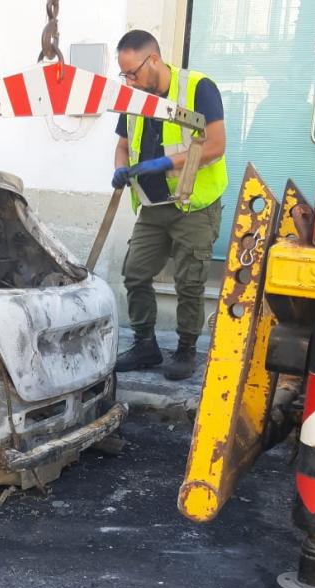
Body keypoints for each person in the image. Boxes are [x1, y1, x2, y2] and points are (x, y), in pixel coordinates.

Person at [111, 29, 228, 381]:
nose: (129, 81)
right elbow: (122, 143)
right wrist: (119, 166)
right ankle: (145, 344)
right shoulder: (134, 96)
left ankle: (186, 350)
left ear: (155, 60)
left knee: (189, 281)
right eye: (124, 74)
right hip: (153, 204)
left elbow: (216, 145)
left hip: (194, 204)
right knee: (135, 272)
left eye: (133, 72)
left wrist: (166, 162)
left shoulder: (198, 88)